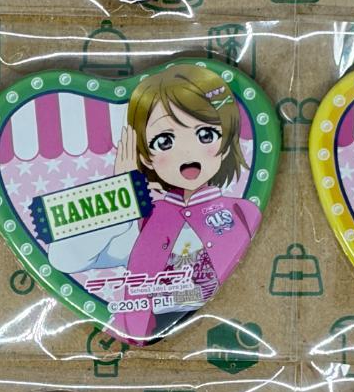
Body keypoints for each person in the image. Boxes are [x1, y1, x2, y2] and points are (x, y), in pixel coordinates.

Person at [47, 63, 261, 340]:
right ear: (146, 156)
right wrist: (121, 195)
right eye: (164, 141)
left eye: (205, 135)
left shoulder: (241, 212)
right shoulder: (144, 217)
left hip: (210, 323)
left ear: (227, 143)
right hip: (143, 324)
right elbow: (63, 259)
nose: (187, 153)